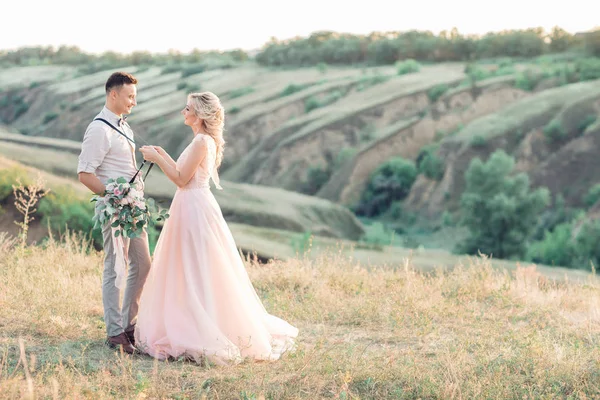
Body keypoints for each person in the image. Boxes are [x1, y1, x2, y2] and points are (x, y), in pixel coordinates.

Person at [135, 91, 298, 365]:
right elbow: (183, 172)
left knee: (193, 265)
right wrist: (163, 154)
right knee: (194, 265)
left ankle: (201, 324)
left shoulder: (200, 141)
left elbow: (180, 178)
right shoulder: (202, 140)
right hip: (193, 203)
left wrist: (156, 158)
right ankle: (195, 316)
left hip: (193, 206)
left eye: (187, 109)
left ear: (199, 115)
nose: (183, 112)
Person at [77, 71, 152, 354]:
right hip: (116, 208)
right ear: (113, 94)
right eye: (130, 96)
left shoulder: (124, 126)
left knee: (143, 263)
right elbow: (85, 174)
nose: (134, 101)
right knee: (115, 266)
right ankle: (114, 333)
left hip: (134, 208)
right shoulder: (99, 129)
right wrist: (114, 196)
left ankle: (129, 325)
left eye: (135, 96)